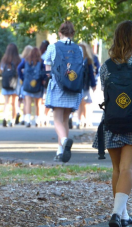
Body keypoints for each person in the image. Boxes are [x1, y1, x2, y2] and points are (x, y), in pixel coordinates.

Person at [92, 20, 132, 227]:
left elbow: (106, 95)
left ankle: (124, 215)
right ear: (131, 39)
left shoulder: (106, 67)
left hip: (112, 122)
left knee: (117, 169)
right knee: (128, 168)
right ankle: (117, 214)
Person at [44, 21, 84, 162]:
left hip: (58, 86)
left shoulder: (53, 47)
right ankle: (60, 151)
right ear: (73, 33)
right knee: (65, 119)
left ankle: (65, 140)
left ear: (59, 33)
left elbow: (47, 64)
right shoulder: (79, 49)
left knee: (57, 119)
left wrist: (49, 75)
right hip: (73, 86)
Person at [18, 47, 45, 128]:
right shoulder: (41, 61)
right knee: (38, 104)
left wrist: (22, 77)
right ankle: (37, 121)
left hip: (27, 84)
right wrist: (43, 79)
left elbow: (19, 68)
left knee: (28, 103)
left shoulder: (26, 60)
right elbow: (45, 71)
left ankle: (28, 120)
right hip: (37, 85)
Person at [76, 42, 98, 129]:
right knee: (85, 103)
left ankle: (78, 121)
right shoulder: (88, 60)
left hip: (76, 85)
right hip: (85, 85)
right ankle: (84, 120)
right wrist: (93, 85)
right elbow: (91, 75)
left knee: (80, 103)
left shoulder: (75, 60)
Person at [0, 43, 22, 127]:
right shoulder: (18, 60)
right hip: (15, 83)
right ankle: (12, 121)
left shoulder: (4, 60)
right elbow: (20, 71)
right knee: (14, 102)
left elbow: (1, 70)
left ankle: (5, 118)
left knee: (6, 102)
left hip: (5, 83)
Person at [18, 45, 34, 125]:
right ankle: (27, 118)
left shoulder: (23, 60)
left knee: (24, 100)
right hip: (33, 82)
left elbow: (18, 68)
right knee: (29, 101)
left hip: (24, 82)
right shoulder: (34, 60)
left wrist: (21, 77)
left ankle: (24, 118)